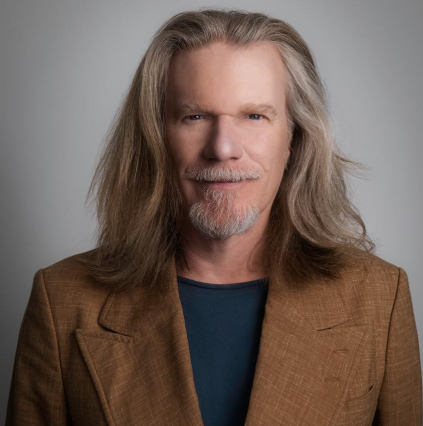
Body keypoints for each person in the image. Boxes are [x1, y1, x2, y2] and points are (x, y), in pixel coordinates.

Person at [6, 8, 422, 426]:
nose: (222, 148)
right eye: (195, 116)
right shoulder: (62, 302)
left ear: (294, 138)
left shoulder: (379, 299)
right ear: (156, 135)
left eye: (254, 116)